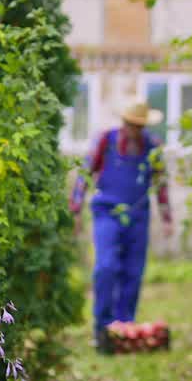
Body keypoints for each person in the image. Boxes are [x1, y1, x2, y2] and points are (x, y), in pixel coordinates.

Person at [70, 101, 173, 350]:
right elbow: (85, 174)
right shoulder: (105, 141)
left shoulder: (153, 147)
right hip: (107, 211)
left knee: (133, 273)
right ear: (124, 122)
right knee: (106, 267)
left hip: (138, 214)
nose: (134, 130)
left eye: (139, 126)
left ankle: (125, 328)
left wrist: (166, 216)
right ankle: (102, 327)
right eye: (131, 124)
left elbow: (160, 183)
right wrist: (75, 210)